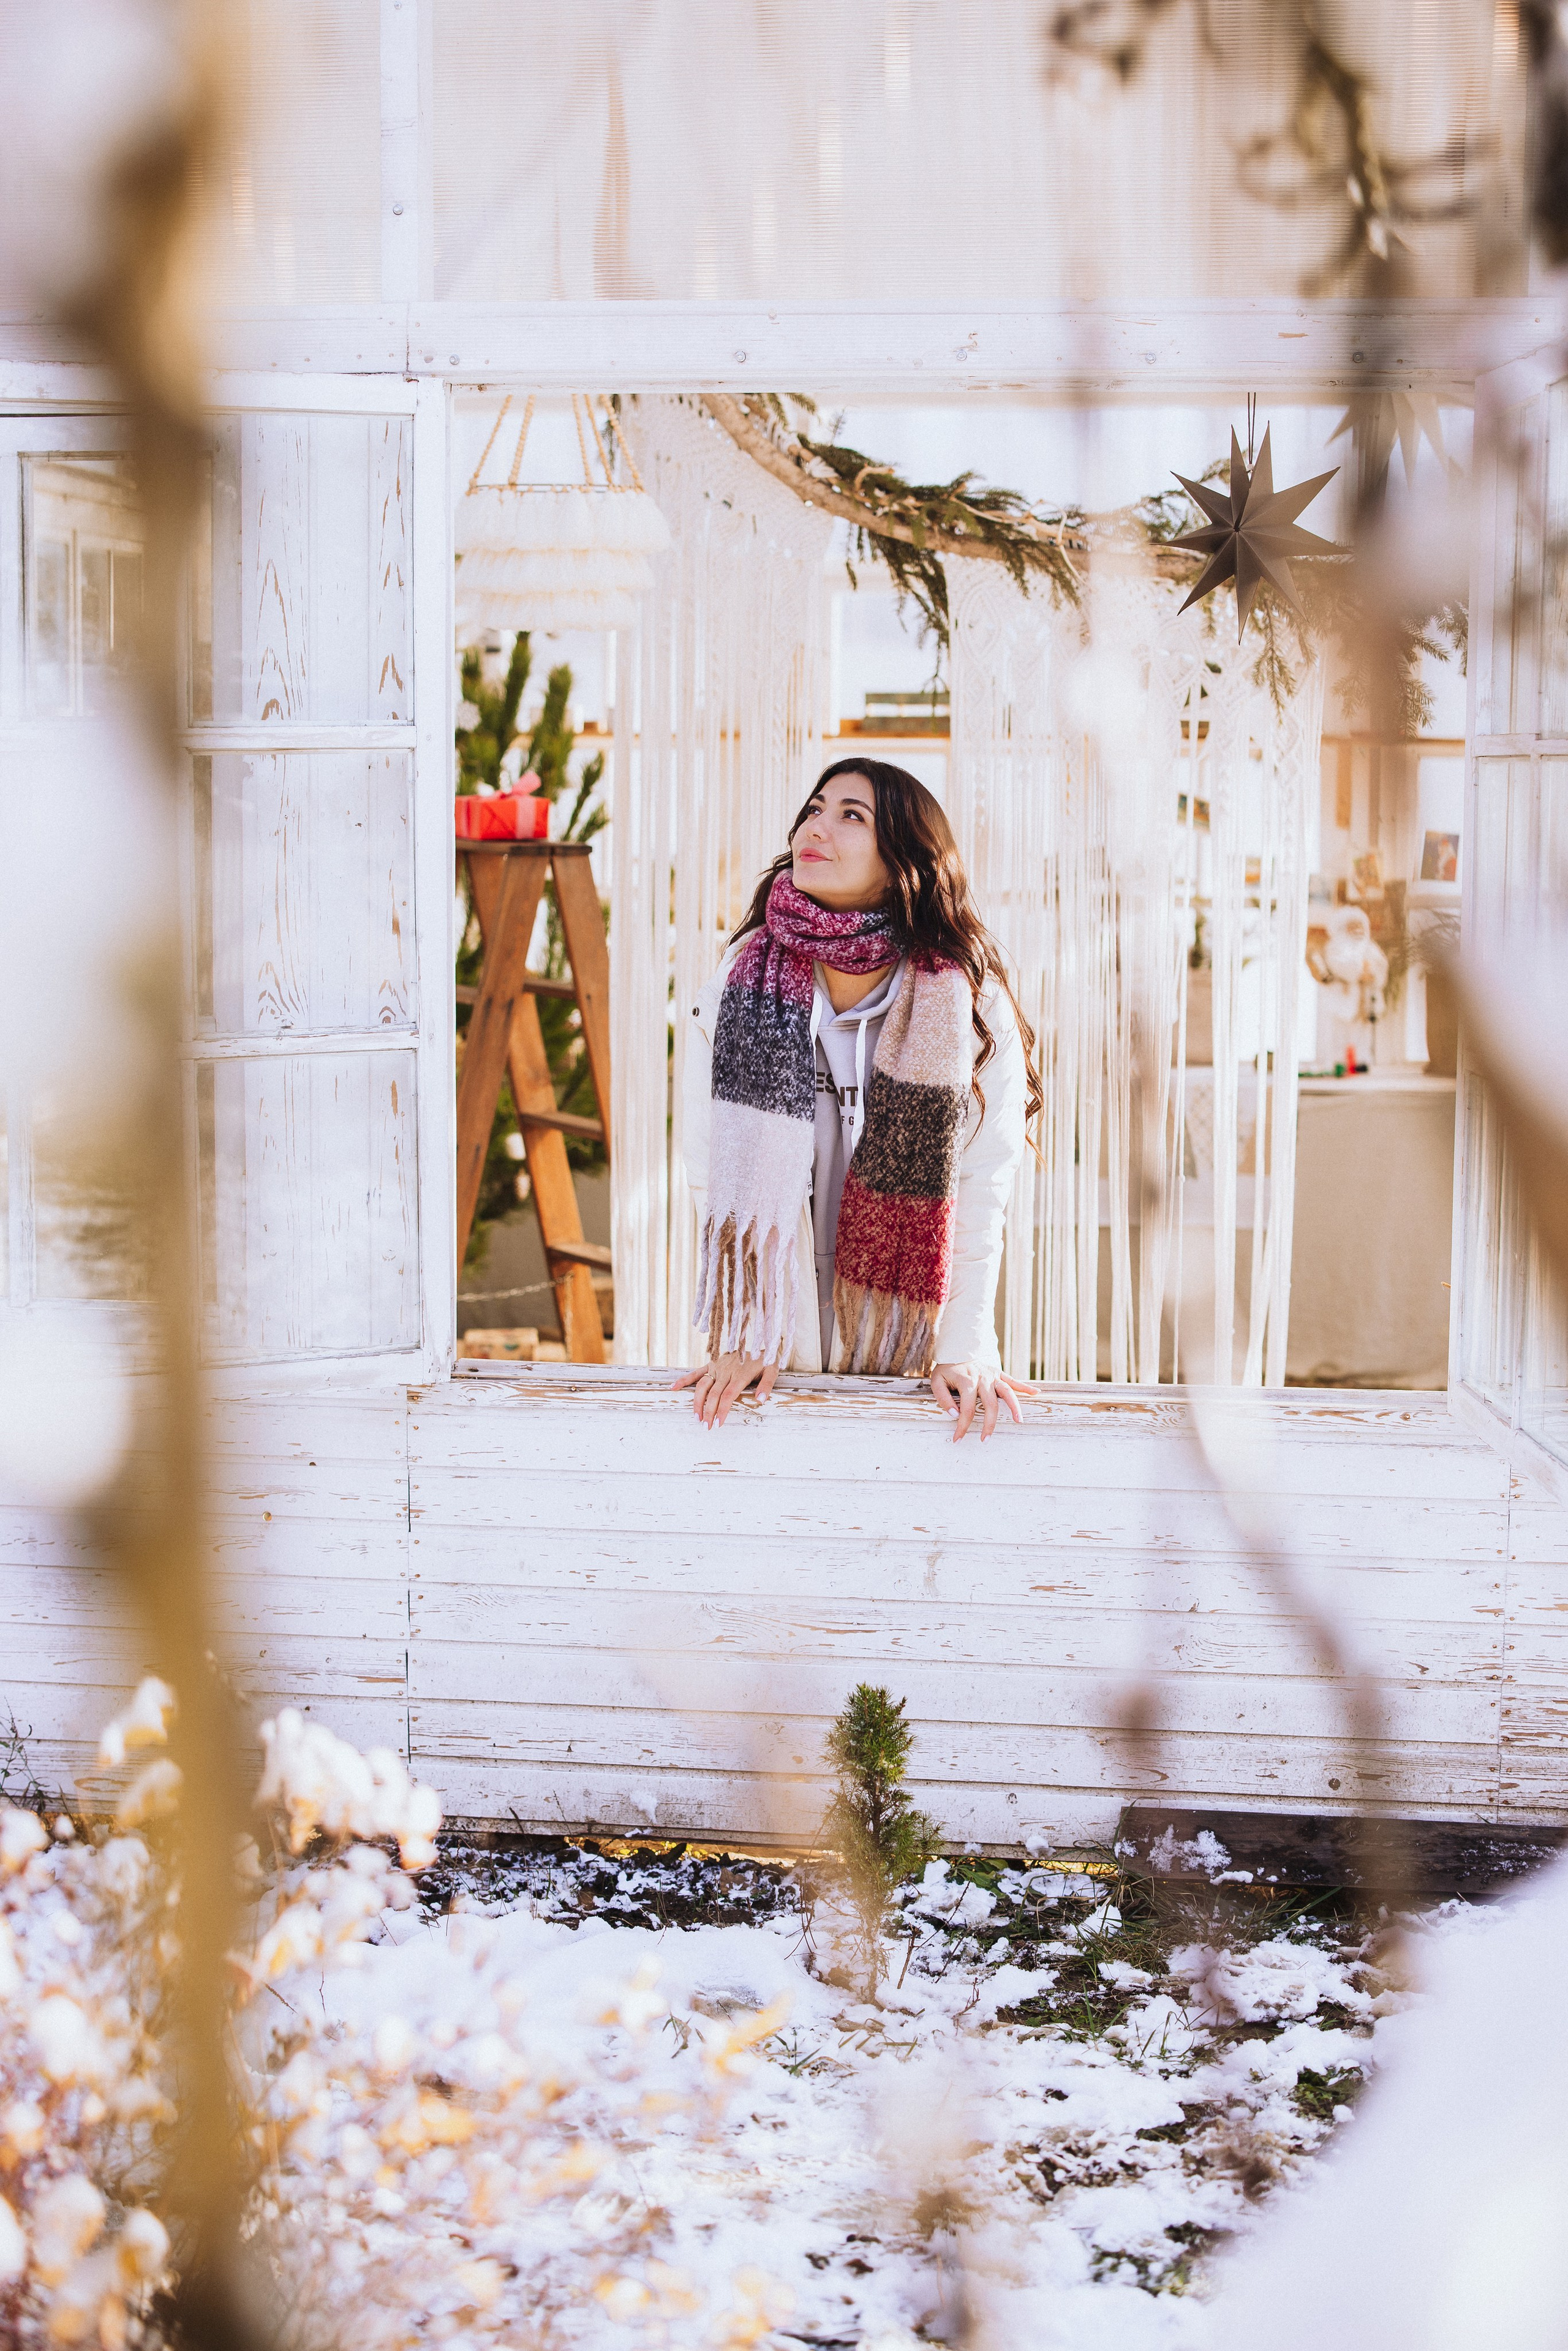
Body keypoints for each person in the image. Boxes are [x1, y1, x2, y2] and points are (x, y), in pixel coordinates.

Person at [675, 758, 1041, 1440]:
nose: (816, 828)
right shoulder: (740, 981)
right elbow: (708, 1161)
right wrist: (748, 1328)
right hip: (774, 1349)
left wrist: (964, 1345)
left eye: (852, 816)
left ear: (905, 858)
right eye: (815, 809)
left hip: (911, 1345)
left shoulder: (967, 999)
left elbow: (983, 1180)